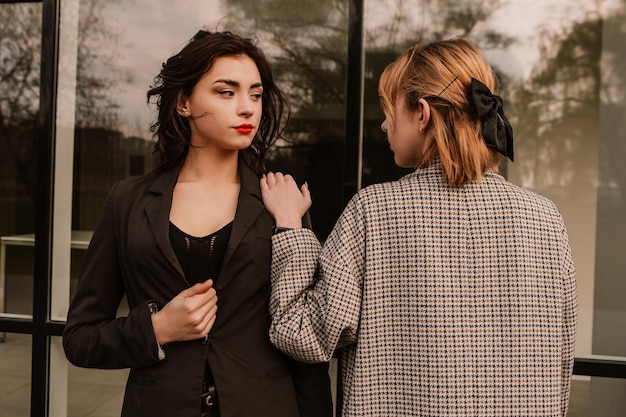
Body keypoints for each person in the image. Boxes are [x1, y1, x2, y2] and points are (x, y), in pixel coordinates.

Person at [260, 38, 577, 417]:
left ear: (422, 114)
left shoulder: (373, 212)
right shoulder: (545, 219)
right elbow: (561, 362)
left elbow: (303, 334)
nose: (382, 124)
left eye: (388, 110)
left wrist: (292, 229)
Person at [63, 29, 332, 417]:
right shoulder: (127, 201)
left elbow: (306, 348)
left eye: (255, 94)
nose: (247, 108)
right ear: (184, 102)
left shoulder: (283, 202)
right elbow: (80, 338)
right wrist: (156, 329)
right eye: (227, 92)